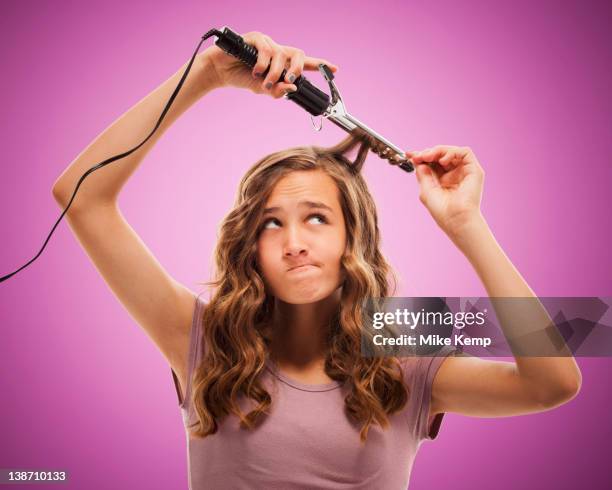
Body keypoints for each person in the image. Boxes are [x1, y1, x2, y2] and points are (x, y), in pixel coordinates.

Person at [51, 31, 582, 489]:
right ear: (250, 249)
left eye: (317, 218)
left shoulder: (406, 351)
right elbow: (80, 196)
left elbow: (553, 381)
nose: (294, 242)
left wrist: (467, 225)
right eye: (270, 223)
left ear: (354, 239)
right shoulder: (202, 342)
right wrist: (208, 72)